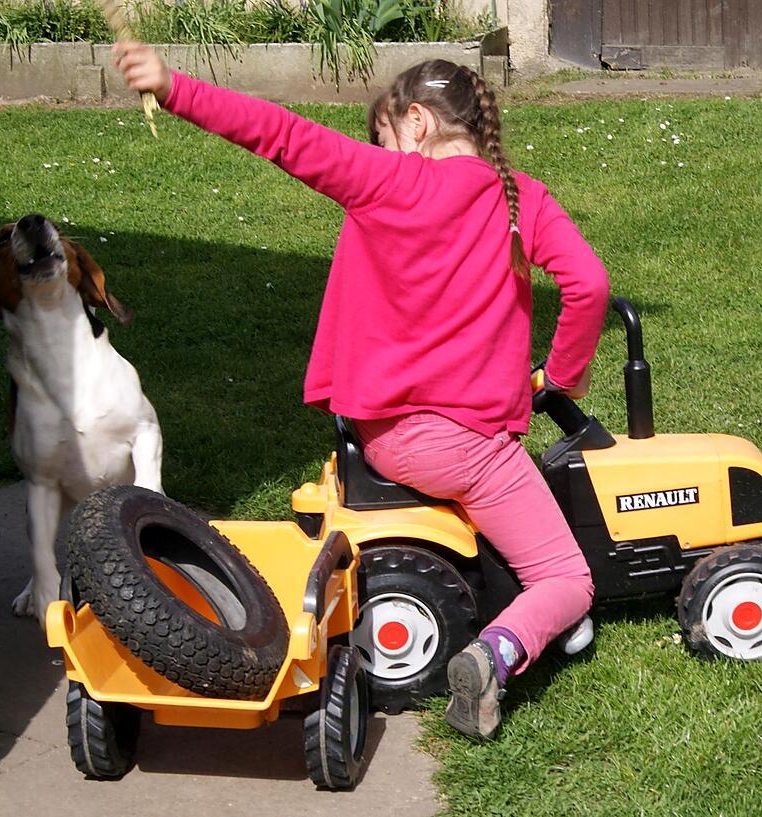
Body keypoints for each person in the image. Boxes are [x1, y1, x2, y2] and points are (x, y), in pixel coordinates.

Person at [114, 45, 609, 740]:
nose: (382, 151)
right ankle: (490, 655)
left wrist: (174, 87)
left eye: (384, 139)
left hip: (387, 437)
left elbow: (280, 134)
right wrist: (562, 375)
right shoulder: (522, 198)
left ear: (418, 122)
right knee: (566, 577)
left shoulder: (389, 182)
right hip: (470, 448)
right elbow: (588, 284)